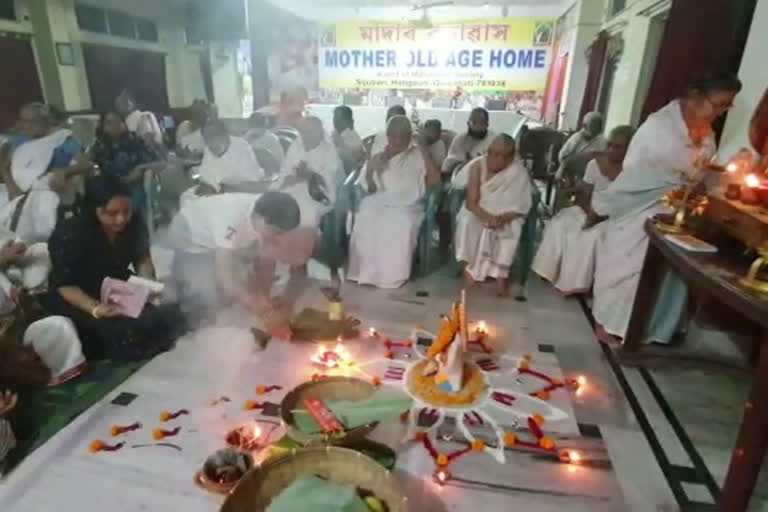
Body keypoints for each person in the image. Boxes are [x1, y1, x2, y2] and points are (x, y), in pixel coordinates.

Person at [592, 73, 742, 344]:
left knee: (668, 271)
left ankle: (651, 329)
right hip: (641, 205)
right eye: (717, 104)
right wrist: (673, 183)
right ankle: (612, 325)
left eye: (726, 106)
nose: (720, 112)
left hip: (678, 210)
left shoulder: (707, 132)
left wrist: (706, 181)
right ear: (695, 95)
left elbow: (702, 169)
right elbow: (636, 170)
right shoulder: (659, 126)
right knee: (631, 268)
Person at [42, 174, 185, 361]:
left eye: (126, 211)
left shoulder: (133, 223)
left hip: (116, 285)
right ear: (95, 209)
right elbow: (65, 285)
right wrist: (96, 308)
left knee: (168, 313)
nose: (121, 219)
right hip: (79, 295)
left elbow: (142, 259)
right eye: (112, 213)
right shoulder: (71, 233)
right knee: (120, 330)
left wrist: (147, 287)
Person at [167, 191, 309, 335]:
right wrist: (250, 301)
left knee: (241, 281)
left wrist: (264, 296)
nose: (281, 238)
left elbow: (268, 257)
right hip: (191, 239)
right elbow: (224, 271)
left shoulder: (268, 214)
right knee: (207, 297)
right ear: (258, 218)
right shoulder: (231, 219)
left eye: (284, 233)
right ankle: (192, 328)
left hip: (224, 239)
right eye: (277, 232)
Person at [532, 126, 634, 294]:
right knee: (561, 223)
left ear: (629, 149)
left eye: (617, 147)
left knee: (592, 237)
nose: (610, 149)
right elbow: (585, 194)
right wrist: (589, 212)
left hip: (613, 218)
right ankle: (547, 271)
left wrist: (599, 217)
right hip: (587, 209)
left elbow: (626, 204)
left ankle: (575, 285)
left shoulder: (632, 170)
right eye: (609, 144)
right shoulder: (594, 164)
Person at [347, 116, 441, 288]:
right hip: (380, 199)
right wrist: (370, 171)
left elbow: (435, 181)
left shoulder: (417, 152)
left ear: (409, 136)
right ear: (388, 135)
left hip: (409, 204)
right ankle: (366, 273)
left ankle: (391, 277)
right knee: (365, 216)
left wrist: (424, 149)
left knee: (398, 222)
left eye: (403, 136)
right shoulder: (378, 152)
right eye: (394, 136)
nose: (398, 140)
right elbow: (370, 189)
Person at [0, 103, 92, 242]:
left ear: (46, 120)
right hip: (13, 187)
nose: (27, 125)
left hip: (45, 187)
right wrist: (11, 184)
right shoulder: (20, 139)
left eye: (32, 121)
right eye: (24, 121)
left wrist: (65, 171)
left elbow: (86, 164)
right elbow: (5, 166)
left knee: (40, 206)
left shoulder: (62, 139)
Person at [454, 134, 532, 296]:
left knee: (513, 227)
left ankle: (500, 275)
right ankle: (468, 269)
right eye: (491, 152)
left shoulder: (518, 171)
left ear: (510, 158)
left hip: (506, 214)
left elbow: (521, 205)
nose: (493, 158)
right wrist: (488, 218)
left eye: (499, 155)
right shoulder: (477, 166)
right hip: (478, 210)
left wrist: (502, 218)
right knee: (468, 222)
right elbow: (471, 203)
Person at [89, 111, 164, 213]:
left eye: (112, 122)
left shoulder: (136, 142)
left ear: (123, 124)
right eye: (106, 123)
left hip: (133, 185)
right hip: (108, 186)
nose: (109, 127)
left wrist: (141, 169)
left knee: (134, 196)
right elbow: (91, 164)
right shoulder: (99, 146)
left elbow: (161, 162)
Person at [278, 116, 344, 229]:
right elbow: (285, 173)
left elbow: (328, 185)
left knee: (304, 212)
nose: (306, 135)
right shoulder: (296, 145)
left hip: (317, 197)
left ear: (319, 132)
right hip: (292, 191)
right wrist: (290, 179)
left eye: (310, 132)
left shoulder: (329, 151)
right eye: (303, 132)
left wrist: (309, 175)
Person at [182, 121, 266, 204]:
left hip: (241, 196)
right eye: (207, 138)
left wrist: (223, 189)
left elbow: (253, 184)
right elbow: (207, 177)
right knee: (187, 198)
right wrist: (208, 187)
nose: (210, 141)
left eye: (214, 135)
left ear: (225, 135)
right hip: (217, 195)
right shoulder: (208, 149)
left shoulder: (242, 147)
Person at [443, 107, 496, 183]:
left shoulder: (494, 141)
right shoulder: (460, 139)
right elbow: (449, 164)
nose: (477, 126)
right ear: (468, 123)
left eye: (481, 123)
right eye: (474, 122)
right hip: (460, 179)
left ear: (487, 124)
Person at [556, 111, 607, 178]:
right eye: (593, 126)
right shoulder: (576, 137)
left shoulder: (602, 140)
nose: (596, 129)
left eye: (598, 126)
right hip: (573, 174)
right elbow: (562, 157)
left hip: (592, 175)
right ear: (584, 126)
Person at [331, 106, 365, 173]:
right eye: (334, 118)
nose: (335, 121)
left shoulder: (352, 136)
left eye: (339, 119)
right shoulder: (333, 134)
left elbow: (357, 157)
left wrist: (340, 142)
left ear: (348, 120)